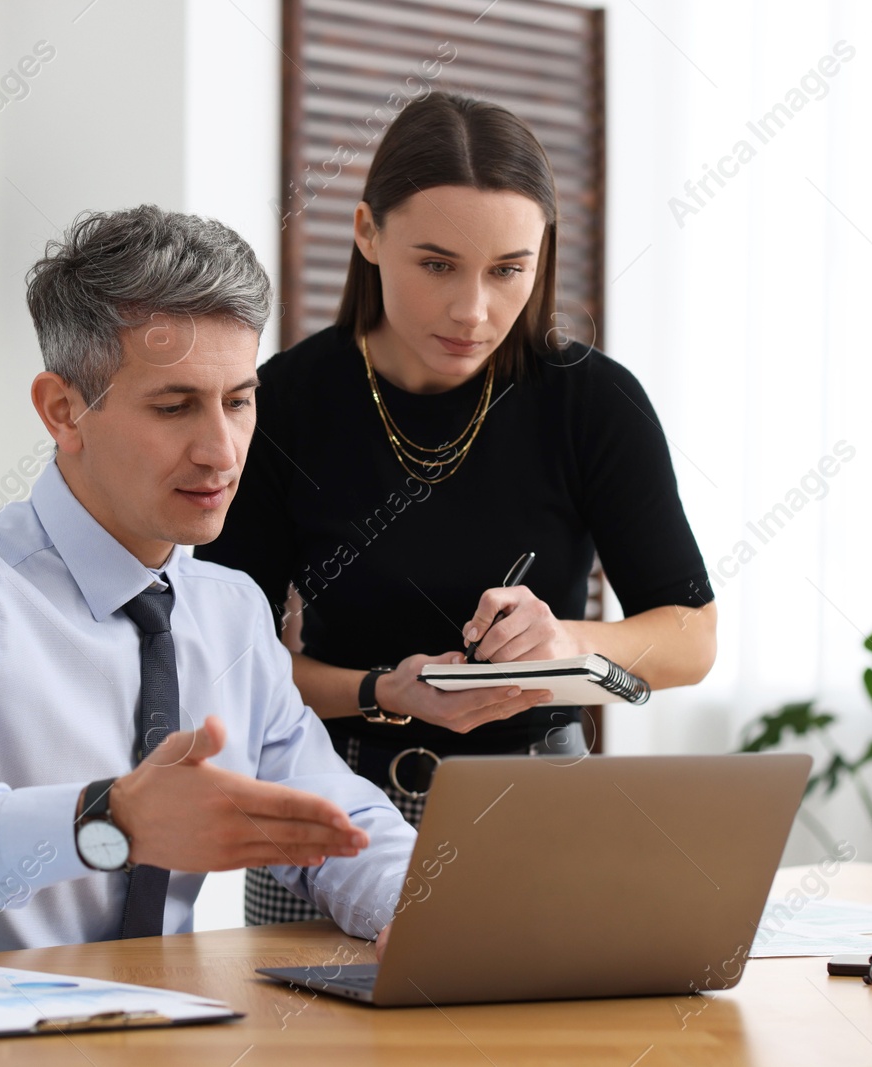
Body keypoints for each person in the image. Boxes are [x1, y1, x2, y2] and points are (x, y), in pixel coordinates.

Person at [0, 205, 416, 969]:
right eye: (175, 405)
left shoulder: (229, 612)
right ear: (64, 411)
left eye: (239, 400)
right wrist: (107, 818)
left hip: (151, 1030)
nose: (221, 450)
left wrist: (419, 907)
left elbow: (334, 818)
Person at [196, 93, 717, 926]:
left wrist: (568, 644)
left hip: (542, 807)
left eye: (508, 269)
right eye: (437, 264)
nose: (474, 310)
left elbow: (691, 638)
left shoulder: (593, 403)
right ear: (367, 233)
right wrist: (383, 689)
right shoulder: (283, 403)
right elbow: (225, 665)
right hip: (332, 808)